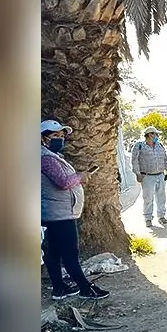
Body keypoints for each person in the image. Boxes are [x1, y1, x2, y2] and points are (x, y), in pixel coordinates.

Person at [40, 119, 109, 300]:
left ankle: (59, 288)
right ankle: (86, 288)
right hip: (59, 214)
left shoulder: (47, 156)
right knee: (70, 254)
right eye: (55, 135)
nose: (60, 139)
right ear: (43, 138)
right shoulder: (45, 158)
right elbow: (63, 182)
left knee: (53, 253)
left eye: (62, 135)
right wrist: (81, 176)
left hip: (53, 212)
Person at [131, 126, 167, 227]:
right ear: (150, 135)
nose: (157, 136)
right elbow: (135, 161)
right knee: (148, 198)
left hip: (160, 175)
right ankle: (148, 218)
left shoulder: (159, 145)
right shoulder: (139, 146)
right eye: (156, 134)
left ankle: (161, 216)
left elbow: (165, 159)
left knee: (161, 197)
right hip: (147, 176)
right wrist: (138, 173)